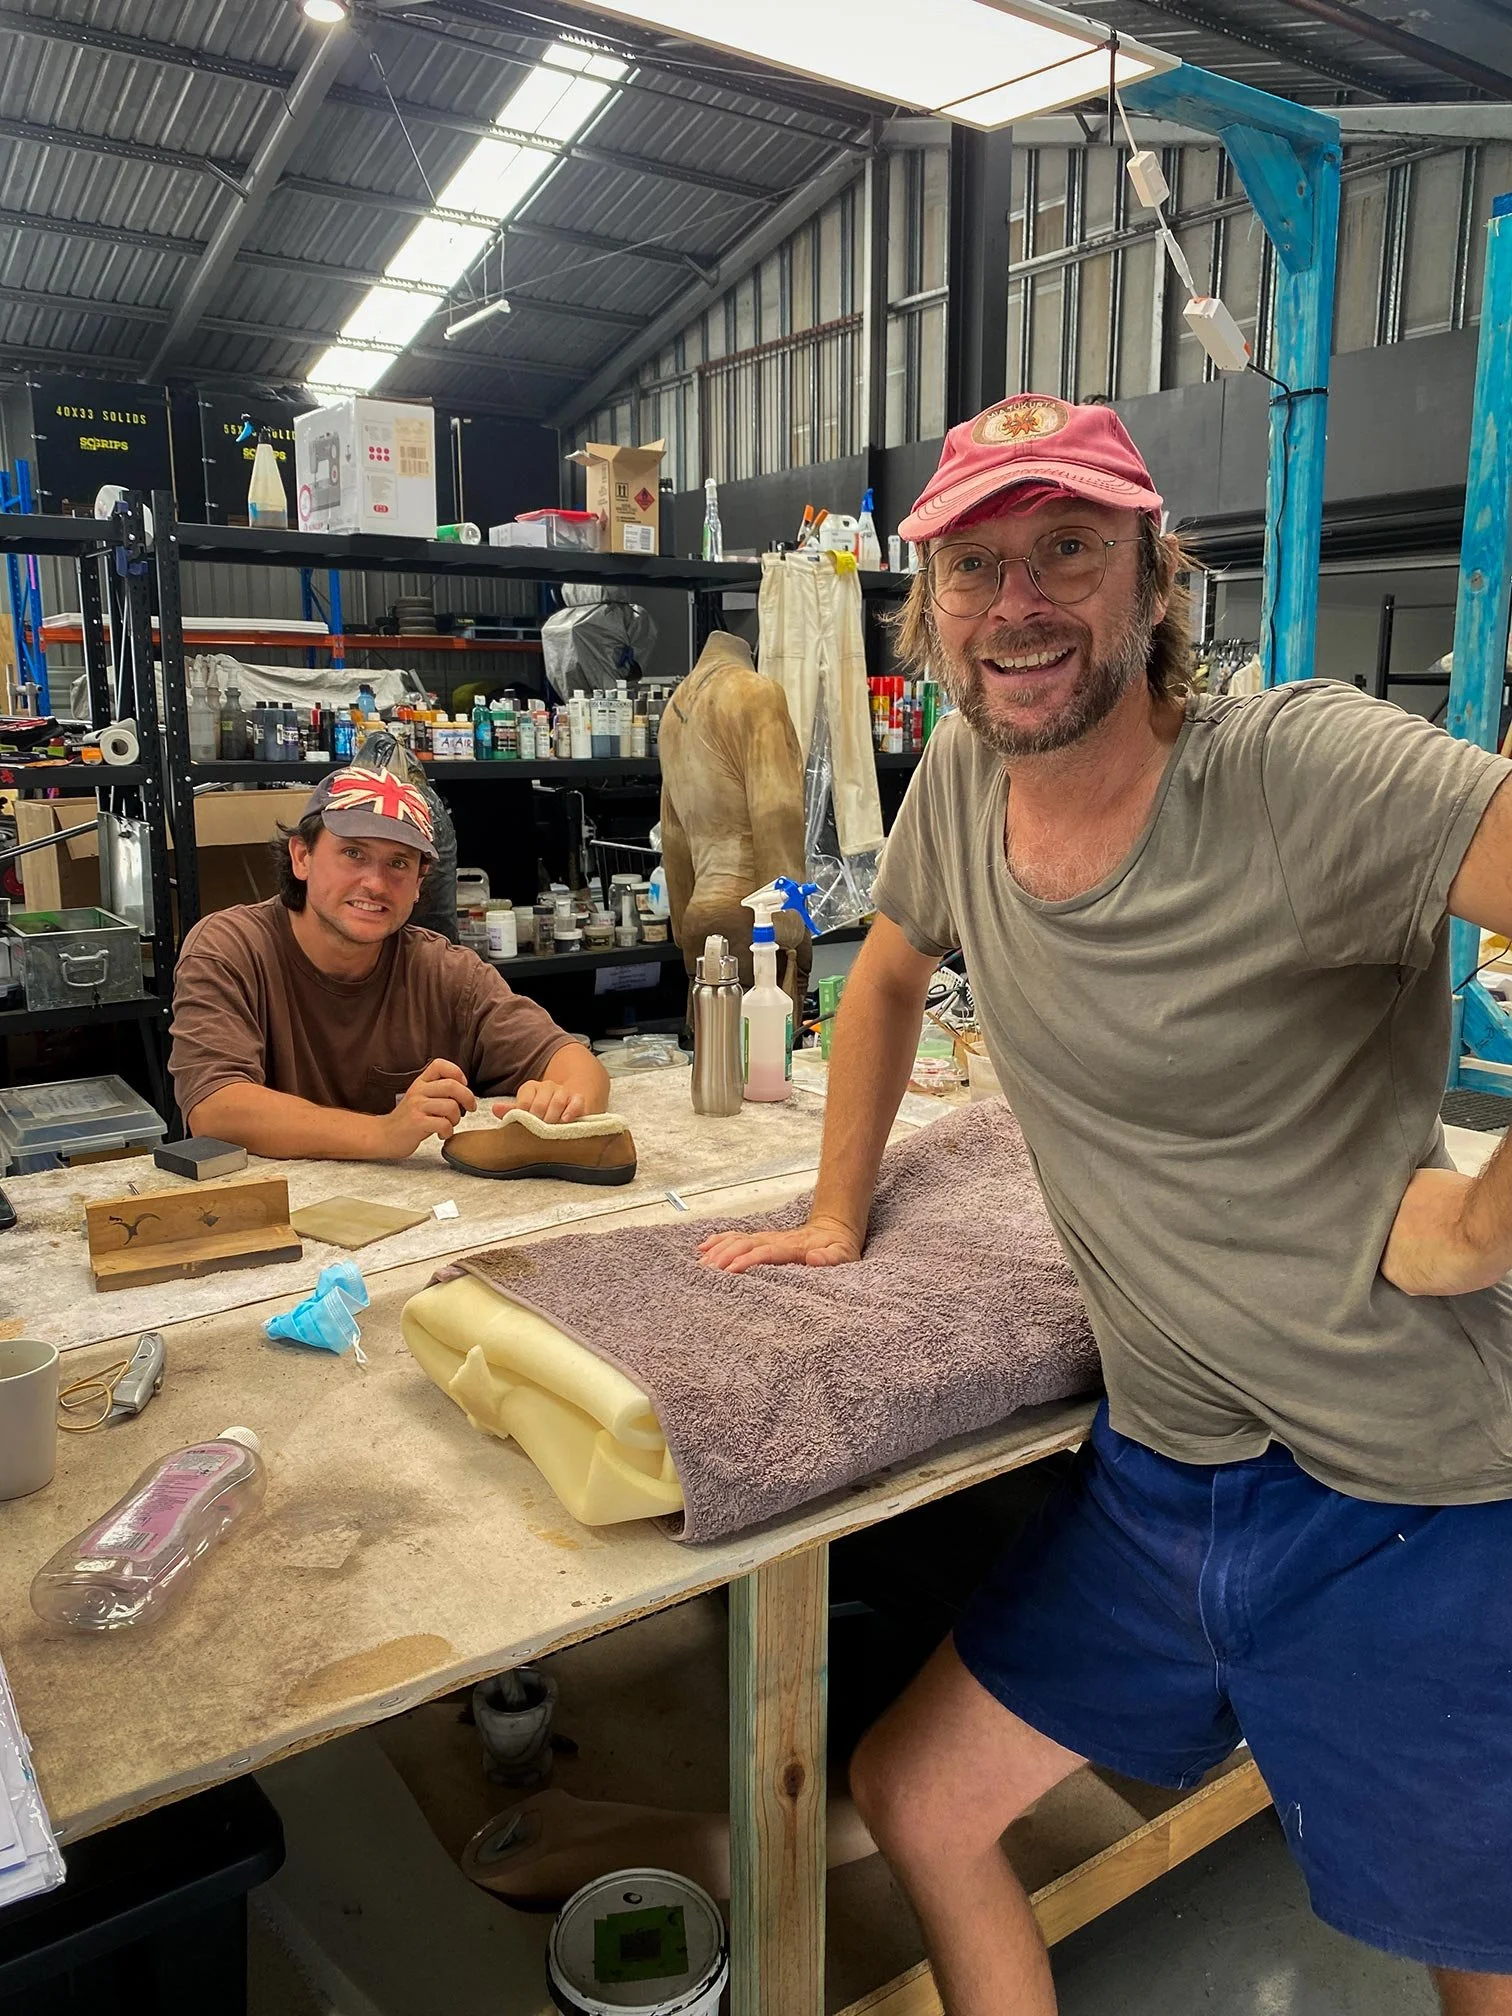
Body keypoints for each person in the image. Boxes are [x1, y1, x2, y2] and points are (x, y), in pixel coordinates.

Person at [701, 392, 1512, 2014]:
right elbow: (881, 980)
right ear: (926, 607)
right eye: (975, 564)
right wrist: (835, 1208)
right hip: (1166, 1482)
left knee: (1476, 1953)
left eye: (1068, 548)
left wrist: (1484, 1222)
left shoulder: (1300, 767)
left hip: (1405, 1500)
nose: (1020, 603)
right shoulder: (954, 786)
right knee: (919, 1797)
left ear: (1155, 578)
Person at [170, 764, 609, 1160]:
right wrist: (382, 1134)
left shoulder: (445, 971)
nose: (376, 883)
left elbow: (578, 1064)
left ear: (419, 884)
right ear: (302, 856)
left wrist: (560, 1101)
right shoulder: (229, 949)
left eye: (398, 863)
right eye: (353, 853)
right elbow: (216, 1108)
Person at [659, 629, 811, 1016]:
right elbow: (776, 810)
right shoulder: (757, 693)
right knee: (767, 1062)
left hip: (699, 918)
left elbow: (672, 837)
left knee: (716, 1056)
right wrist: (789, 924)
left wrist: (683, 928)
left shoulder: (674, 711)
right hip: (753, 919)